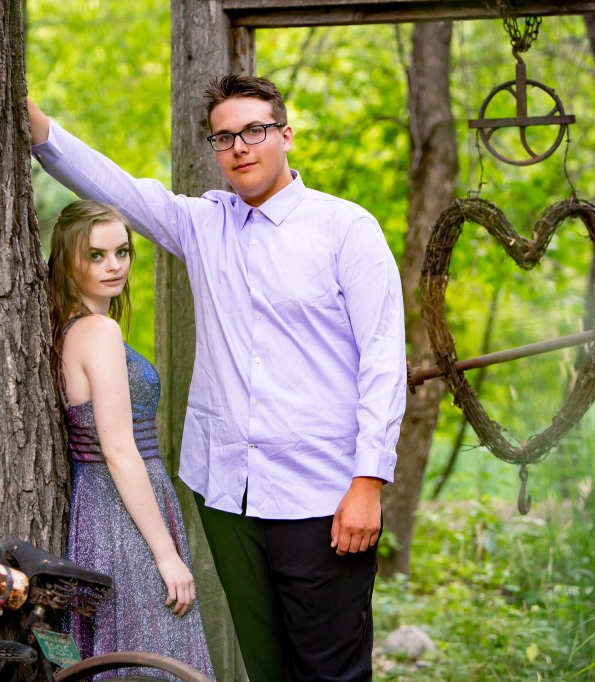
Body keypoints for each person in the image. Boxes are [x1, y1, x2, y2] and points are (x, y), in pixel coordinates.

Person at [30, 74, 406, 682]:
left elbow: (384, 361)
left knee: (330, 670)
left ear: (285, 135)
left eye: (254, 131)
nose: (239, 147)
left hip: (324, 497)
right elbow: (113, 185)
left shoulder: (346, 229)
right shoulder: (204, 224)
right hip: (229, 496)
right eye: (224, 137)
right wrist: (33, 122)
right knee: (266, 668)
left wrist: (368, 480)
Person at [47, 199, 214, 678]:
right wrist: (166, 554)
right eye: (95, 255)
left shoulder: (70, 329)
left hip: (103, 507)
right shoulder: (97, 330)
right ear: (67, 260)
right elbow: (119, 451)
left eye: (121, 251)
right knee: (153, 657)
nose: (114, 265)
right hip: (123, 515)